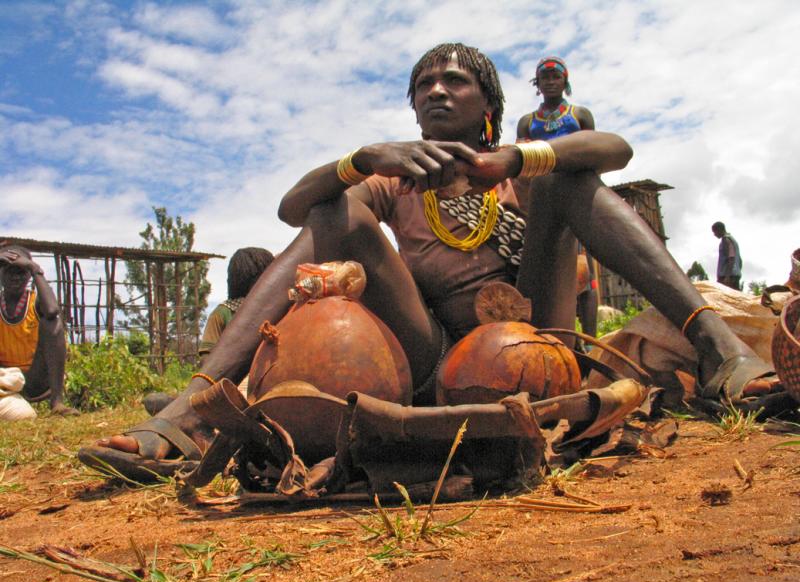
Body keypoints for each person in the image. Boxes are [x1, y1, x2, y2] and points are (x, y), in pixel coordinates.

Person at [79, 42, 779, 481]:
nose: (436, 91)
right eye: (423, 86)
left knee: (573, 178)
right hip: (431, 356)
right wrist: (361, 160)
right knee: (335, 208)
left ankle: (720, 355)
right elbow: (297, 209)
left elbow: (616, 151)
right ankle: (192, 406)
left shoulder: (518, 172)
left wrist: (517, 157)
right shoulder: (394, 181)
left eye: (454, 81)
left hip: (535, 342)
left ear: (489, 106)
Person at [517, 57, 598, 339]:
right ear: (537, 84)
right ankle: (540, 333)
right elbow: (520, 164)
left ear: (565, 81)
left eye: (556, 76)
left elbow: (594, 153)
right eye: (545, 77)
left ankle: (589, 340)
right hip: (541, 198)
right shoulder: (528, 122)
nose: (551, 81)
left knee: (586, 273)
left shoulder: (580, 116)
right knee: (544, 266)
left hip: (578, 192)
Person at [142, 247, 275, 416]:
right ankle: (188, 407)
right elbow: (208, 361)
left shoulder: (278, 309)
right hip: (233, 385)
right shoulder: (224, 313)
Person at [0, 245, 76, 416]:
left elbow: (52, 310)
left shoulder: (35, 302)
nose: (15, 277)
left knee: (53, 323)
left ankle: (57, 402)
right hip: (4, 378)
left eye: (21, 271)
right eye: (8, 271)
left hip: (34, 379)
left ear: (28, 275)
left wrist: (35, 269)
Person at [712, 222, 742, 290]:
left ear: (720, 229)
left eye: (715, 232)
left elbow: (731, 258)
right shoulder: (733, 240)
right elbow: (740, 261)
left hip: (728, 276)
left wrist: (727, 277)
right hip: (735, 275)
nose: (714, 234)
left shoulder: (726, 240)